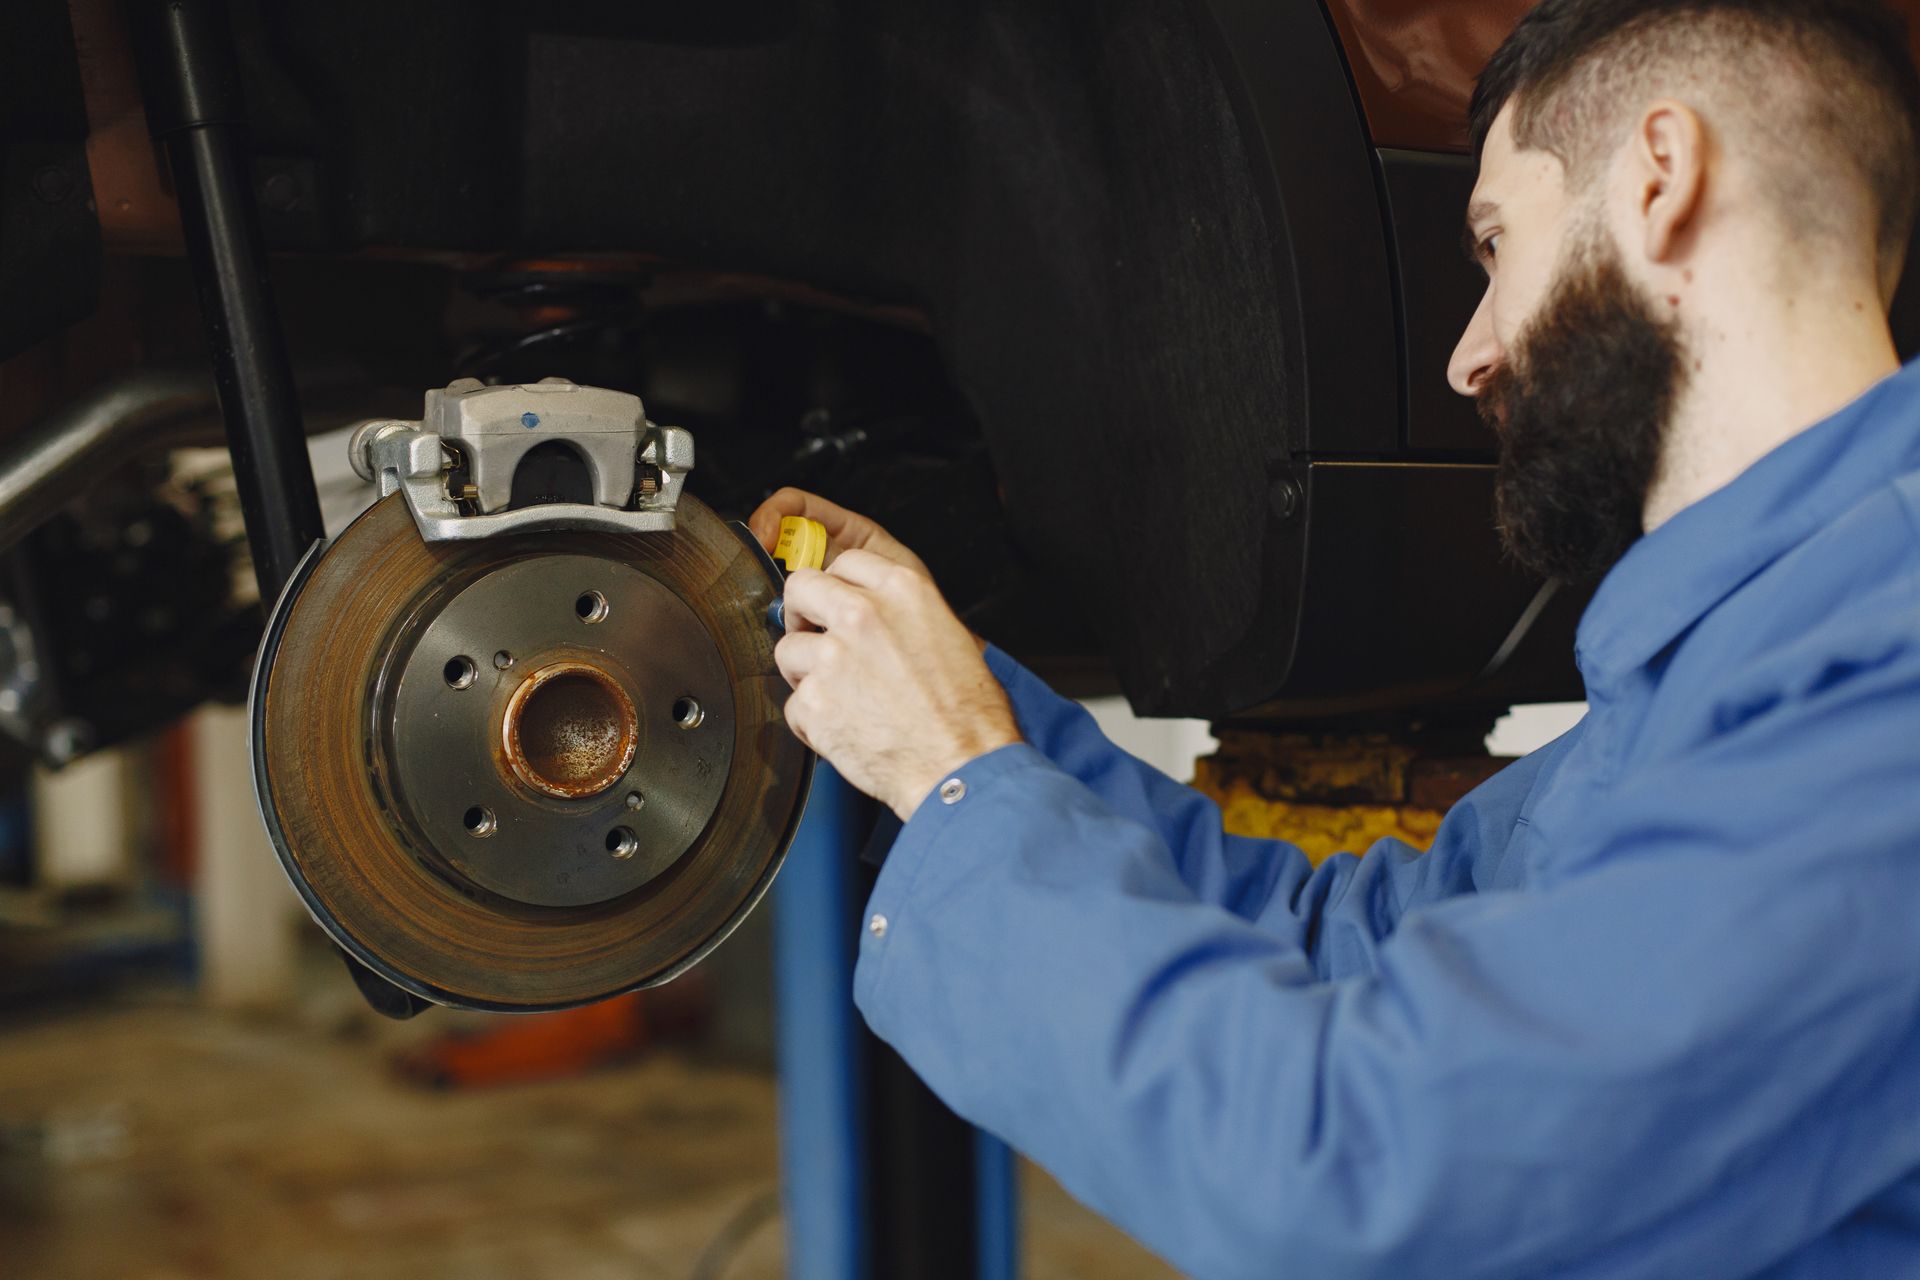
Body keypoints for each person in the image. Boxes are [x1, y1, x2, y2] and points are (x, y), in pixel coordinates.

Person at [746, 1, 1920, 1274]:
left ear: (1660, 178)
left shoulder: (1880, 693)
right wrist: (965, 711)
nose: (1471, 356)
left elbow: (1374, 1174)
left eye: (1493, 243)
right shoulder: (1760, 655)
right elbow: (1346, 938)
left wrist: (957, 778)